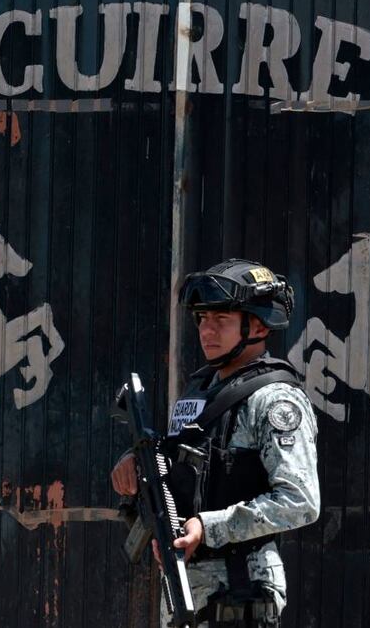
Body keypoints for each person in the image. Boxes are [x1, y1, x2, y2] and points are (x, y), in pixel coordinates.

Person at [111, 259, 320, 627]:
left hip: (240, 590)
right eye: (202, 318)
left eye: (221, 319)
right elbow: (187, 466)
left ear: (258, 326)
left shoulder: (275, 400)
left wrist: (209, 527)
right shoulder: (201, 390)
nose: (207, 330)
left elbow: (300, 502)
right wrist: (138, 462)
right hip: (186, 588)